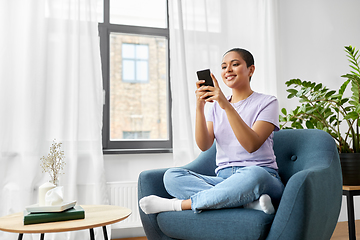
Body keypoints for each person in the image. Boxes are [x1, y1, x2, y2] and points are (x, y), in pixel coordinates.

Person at [139, 48, 284, 215]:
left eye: (235, 64)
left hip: (261, 175)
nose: (228, 70)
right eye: (223, 67)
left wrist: (226, 106)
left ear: (251, 69)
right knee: (172, 176)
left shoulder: (267, 102)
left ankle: (178, 205)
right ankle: (244, 201)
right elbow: (204, 145)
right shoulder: (215, 106)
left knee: (254, 175)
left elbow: (251, 145)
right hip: (223, 178)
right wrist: (199, 108)